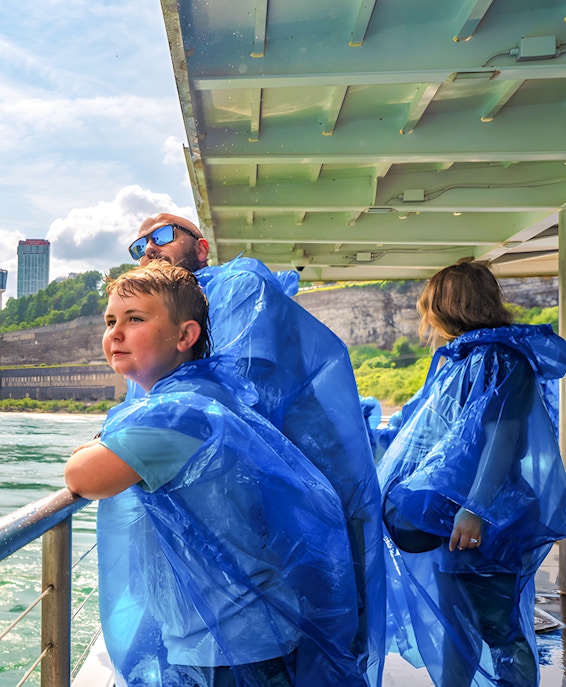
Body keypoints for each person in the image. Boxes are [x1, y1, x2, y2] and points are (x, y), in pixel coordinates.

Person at [66, 261, 363, 686]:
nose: (115, 332)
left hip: (229, 648)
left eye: (135, 319)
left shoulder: (179, 414)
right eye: (111, 320)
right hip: (246, 633)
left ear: (185, 336)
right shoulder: (205, 398)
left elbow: (83, 476)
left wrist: (96, 447)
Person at [123, 213, 385, 685]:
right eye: (139, 244)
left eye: (163, 235)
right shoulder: (166, 311)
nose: (149, 247)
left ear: (201, 248)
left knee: (324, 623)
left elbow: (242, 385)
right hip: (254, 493)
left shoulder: (238, 283)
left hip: (299, 483)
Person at [372, 259, 566, 687]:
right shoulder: (466, 359)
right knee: (457, 629)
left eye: (431, 308)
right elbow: (429, 437)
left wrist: (474, 508)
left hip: (488, 521)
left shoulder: (499, 359)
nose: (429, 319)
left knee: (501, 632)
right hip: (454, 520)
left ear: (450, 306)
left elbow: (502, 440)